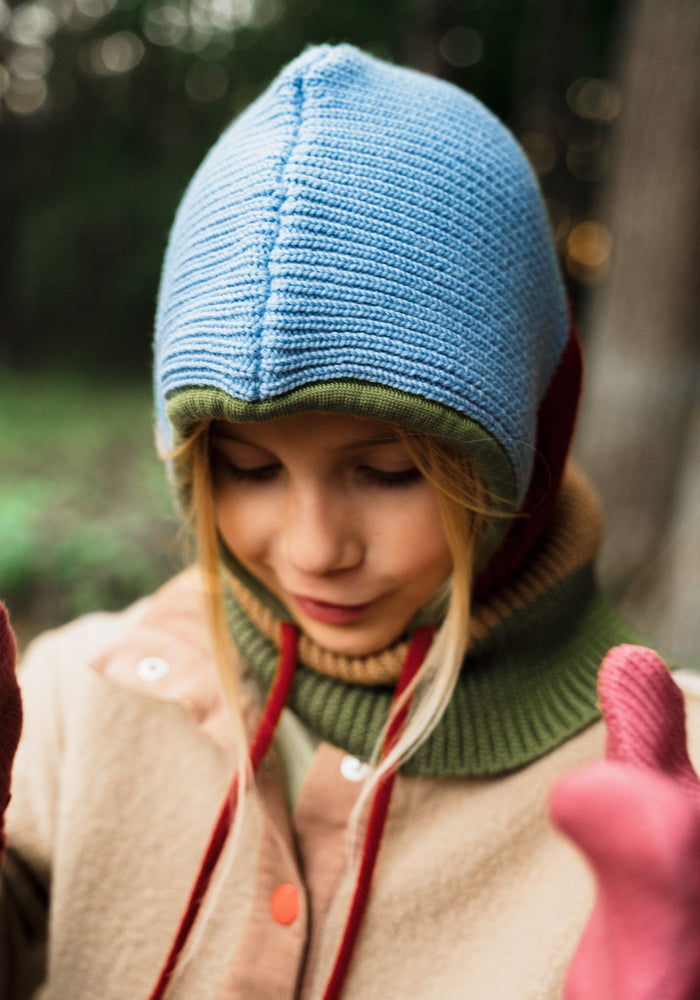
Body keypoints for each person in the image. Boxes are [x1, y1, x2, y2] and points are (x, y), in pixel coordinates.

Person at [1, 43, 699, 1000]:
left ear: (531, 428)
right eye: (247, 469)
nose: (313, 549)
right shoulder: (78, 697)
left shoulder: (673, 801)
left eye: (387, 472)